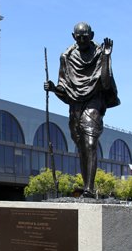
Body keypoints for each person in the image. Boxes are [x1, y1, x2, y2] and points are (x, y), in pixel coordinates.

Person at [44, 22, 120, 197]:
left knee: (91, 143)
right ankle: (87, 187)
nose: (82, 40)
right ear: (73, 37)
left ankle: (89, 189)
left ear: (91, 35)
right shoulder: (66, 57)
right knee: (82, 148)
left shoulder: (100, 52)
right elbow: (64, 87)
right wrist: (53, 88)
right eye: (78, 37)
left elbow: (106, 83)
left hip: (94, 102)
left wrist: (107, 57)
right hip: (75, 106)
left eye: (85, 36)